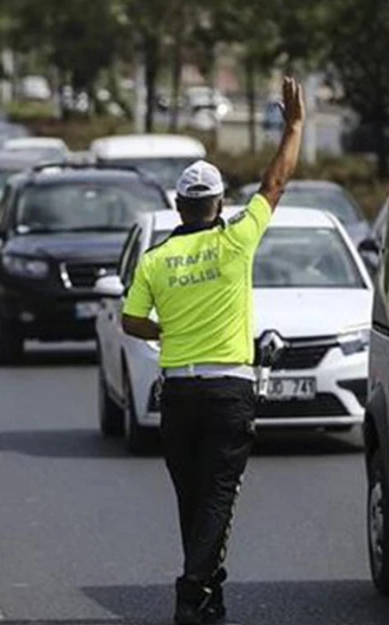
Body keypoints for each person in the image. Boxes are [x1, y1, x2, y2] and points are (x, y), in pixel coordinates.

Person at [120, 77, 305, 625]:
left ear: (179, 206)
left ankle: (208, 596)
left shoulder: (155, 259)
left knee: (192, 498)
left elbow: (131, 321)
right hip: (229, 390)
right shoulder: (235, 240)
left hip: (177, 391)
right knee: (219, 496)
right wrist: (294, 126)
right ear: (219, 203)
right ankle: (191, 589)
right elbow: (275, 183)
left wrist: (166, 333)